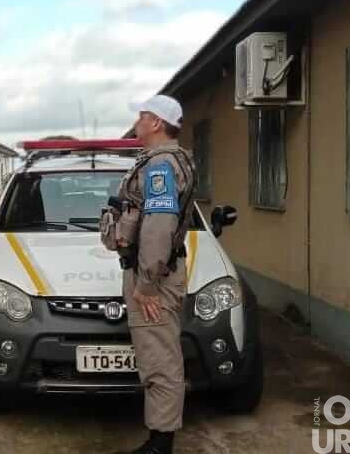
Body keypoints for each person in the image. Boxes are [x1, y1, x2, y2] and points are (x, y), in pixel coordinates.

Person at [114, 95, 197, 454]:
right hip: (153, 272)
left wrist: (146, 284)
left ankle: (160, 445)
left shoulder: (161, 166)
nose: (137, 122)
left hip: (155, 279)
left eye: (142, 115)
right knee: (157, 358)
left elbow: (158, 228)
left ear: (156, 123)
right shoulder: (161, 160)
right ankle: (159, 439)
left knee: (160, 361)